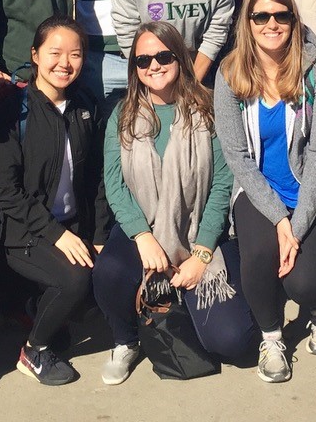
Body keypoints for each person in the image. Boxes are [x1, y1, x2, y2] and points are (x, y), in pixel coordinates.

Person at [92, 22, 255, 385]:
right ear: (134, 67)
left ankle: (180, 300)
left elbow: (223, 184)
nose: (154, 65)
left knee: (233, 342)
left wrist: (201, 255)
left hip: (199, 228)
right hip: (145, 225)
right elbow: (115, 185)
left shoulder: (208, 107)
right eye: (143, 59)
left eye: (163, 56)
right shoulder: (123, 115)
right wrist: (141, 235)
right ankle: (126, 339)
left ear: (180, 58)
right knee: (108, 274)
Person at [213, 0, 316, 383]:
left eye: (281, 15)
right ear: (247, 23)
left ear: (293, 19)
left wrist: (297, 226)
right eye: (261, 16)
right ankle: (272, 336)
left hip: (308, 190)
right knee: (257, 258)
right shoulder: (230, 71)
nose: (272, 24)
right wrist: (279, 222)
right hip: (257, 191)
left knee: (302, 282)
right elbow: (236, 155)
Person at [0, 16, 103, 386]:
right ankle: (33, 350)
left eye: (75, 54)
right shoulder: (14, 110)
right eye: (54, 53)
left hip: (72, 223)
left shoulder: (84, 105)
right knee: (74, 281)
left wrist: (98, 234)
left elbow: (96, 180)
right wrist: (56, 234)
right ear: (35, 55)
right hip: (25, 231)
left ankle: (37, 307)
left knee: (106, 274)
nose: (64, 63)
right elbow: (6, 192)